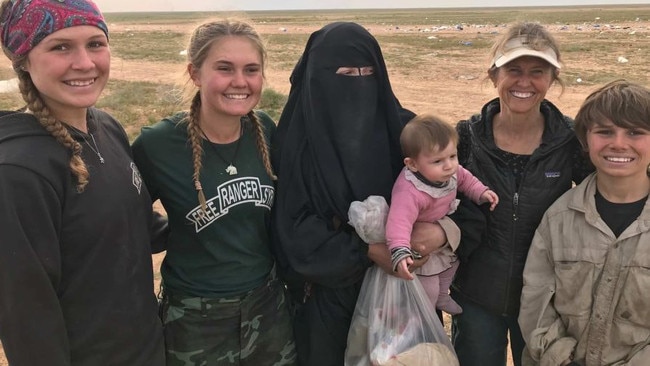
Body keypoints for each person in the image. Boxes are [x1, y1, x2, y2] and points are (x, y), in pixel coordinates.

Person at [271, 22, 450, 366]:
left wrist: (439, 232)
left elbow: (456, 191)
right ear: (319, 78)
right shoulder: (296, 146)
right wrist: (368, 251)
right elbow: (292, 233)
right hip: (324, 301)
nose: (359, 81)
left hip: (401, 299)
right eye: (346, 73)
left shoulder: (407, 133)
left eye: (368, 72)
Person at [0, 0, 166, 365]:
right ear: (24, 61)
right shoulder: (18, 171)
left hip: (148, 349)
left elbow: (136, 225)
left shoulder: (105, 126)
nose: (85, 63)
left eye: (95, 43)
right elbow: (27, 318)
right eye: (60, 47)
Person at [131, 19, 296, 365]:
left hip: (267, 307)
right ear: (195, 73)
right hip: (194, 318)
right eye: (224, 68)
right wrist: (167, 232)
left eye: (252, 70)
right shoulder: (158, 144)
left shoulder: (264, 129)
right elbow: (125, 219)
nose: (240, 81)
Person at [448, 22, 593, 366]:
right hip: (475, 296)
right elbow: (434, 200)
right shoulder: (466, 136)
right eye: (513, 70)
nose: (524, 82)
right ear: (493, 74)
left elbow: (600, 203)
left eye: (537, 72)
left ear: (553, 78)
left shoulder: (570, 140)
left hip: (546, 300)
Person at [519, 79, 650, 366]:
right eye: (605, 132)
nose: (618, 143)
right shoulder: (559, 218)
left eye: (635, 132)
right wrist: (559, 358)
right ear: (585, 139)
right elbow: (536, 302)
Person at [386, 114, 498, 316]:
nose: (449, 165)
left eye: (452, 156)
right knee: (427, 284)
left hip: (442, 235)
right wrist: (400, 250)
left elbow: (467, 180)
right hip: (422, 246)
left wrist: (482, 192)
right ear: (412, 164)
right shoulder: (410, 191)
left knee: (453, 262)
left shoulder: (450, 171)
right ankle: (424, 316)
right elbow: (398, 222)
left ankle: (442, 296)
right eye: (438, 161)